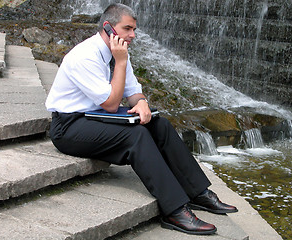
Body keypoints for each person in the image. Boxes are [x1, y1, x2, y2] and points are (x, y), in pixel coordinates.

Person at [45, 3, 238, 236]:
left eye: (134, 29)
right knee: (135, 135)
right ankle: (175, 210)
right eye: (127, 29)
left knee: (159, 124)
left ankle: (198, 193)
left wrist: (143, 103)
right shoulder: (85, 56)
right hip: (69, 126)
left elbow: (133, 92)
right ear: (108, 27)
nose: (133, 35)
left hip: (97, 118)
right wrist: (122, 62)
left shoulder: (119, 53)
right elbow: (111, 103)